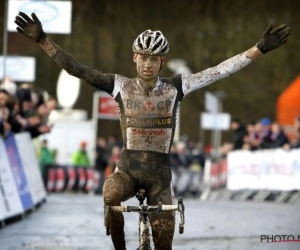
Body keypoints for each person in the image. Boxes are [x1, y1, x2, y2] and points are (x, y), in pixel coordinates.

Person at [14, 12, 291, 250]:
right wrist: (42, 40)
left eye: (153, 58)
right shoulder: (119, 85)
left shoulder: (176, 86)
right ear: (134, 58)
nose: (147, 64)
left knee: (163, 242)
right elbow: (76, 69)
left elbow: (219, 71)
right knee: (110, 195)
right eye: (143, 58)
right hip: (128, 171)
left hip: (160, 177)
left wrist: (258, 49)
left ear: (162, 61)